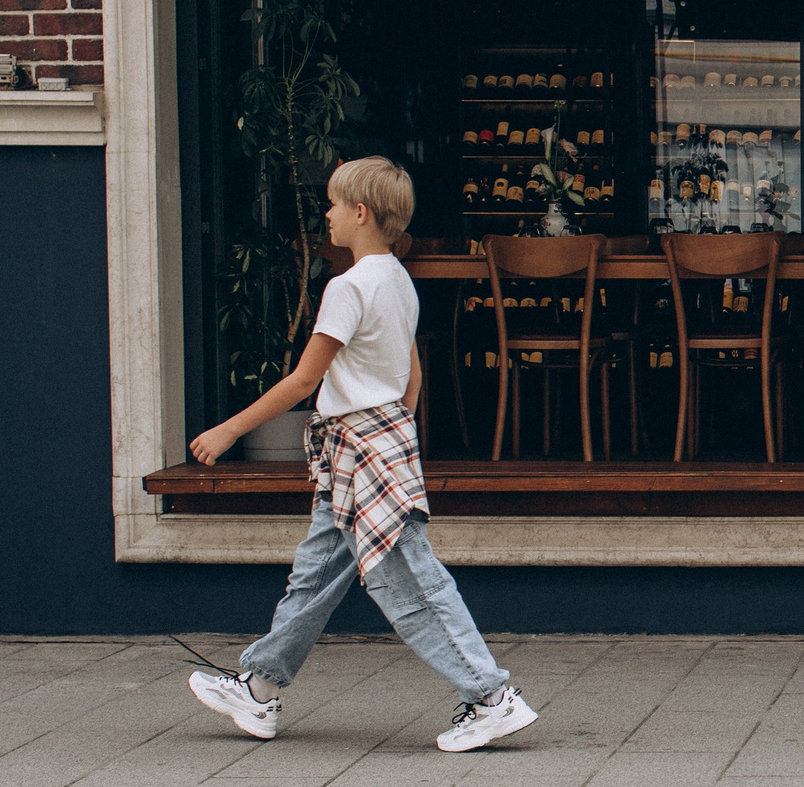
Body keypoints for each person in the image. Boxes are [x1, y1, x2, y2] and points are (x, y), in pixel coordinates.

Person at [184, 156, 538, 754]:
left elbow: (302, 382)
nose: (325, 214)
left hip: (360, 448)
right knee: (315, 576)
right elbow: (412, 377)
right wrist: (395, 433)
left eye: (331, 203)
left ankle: (491, 697)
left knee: (411, 582)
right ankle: (260, 688)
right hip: (376, 442)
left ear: (360, 212)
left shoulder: (347, 287)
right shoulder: (398, 280)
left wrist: (226, 432)